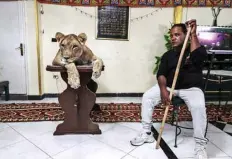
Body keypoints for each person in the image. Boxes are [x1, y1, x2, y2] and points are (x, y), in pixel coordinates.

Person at [130, 19, 208, 159]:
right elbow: (161, 74)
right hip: (169, 87)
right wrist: (163, 90)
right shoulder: (168, 55)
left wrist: (194, 34)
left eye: (177, 34)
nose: (173, 37)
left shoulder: (195, 51)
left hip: (191, 89)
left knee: (199, 106)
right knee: (147, 97)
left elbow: (199, 58)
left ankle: (200, 146)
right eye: (172, 35)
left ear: (186, 35)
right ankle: (147, 133)